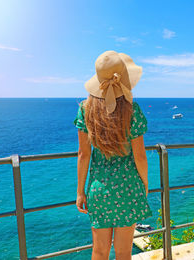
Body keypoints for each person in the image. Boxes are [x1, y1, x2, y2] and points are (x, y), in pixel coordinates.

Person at [74, 51, 152, 260]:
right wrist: (144, 184)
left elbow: (83, 154)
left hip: (98, 191)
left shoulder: (85, 109)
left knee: (99, 251)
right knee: (124, 252)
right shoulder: (132, 110)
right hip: (128, 188)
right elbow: (140, 157)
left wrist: (81, 192)